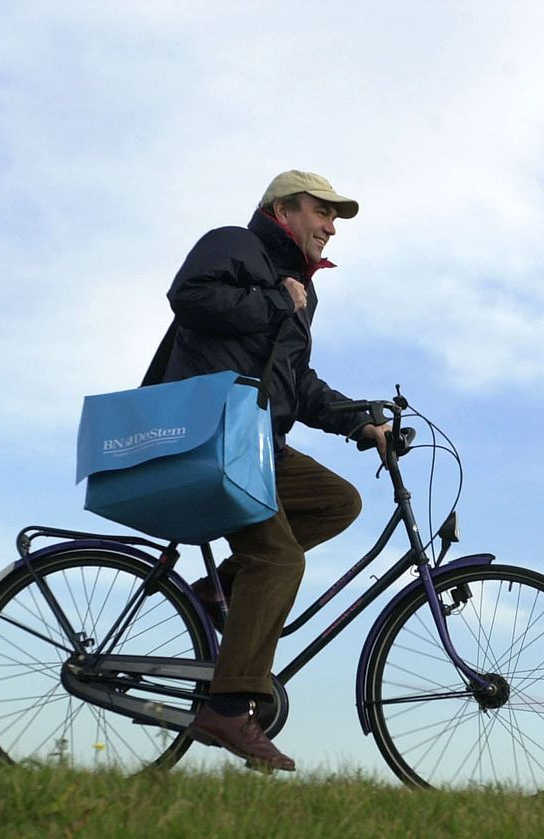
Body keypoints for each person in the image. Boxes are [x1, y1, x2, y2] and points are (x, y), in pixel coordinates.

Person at [157, 170, 389, 771]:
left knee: (337, 501)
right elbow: (189, 296)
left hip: (257, 440)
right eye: (322, 212)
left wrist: (360, 421)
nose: (331, 227)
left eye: (336, 219)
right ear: (283, 210)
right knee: (279, 557)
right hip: (212, 428)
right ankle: (230, 707)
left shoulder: (302, 291)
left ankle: (220, 590)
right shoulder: (235, 243)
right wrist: (273, 300)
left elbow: (297, 385)